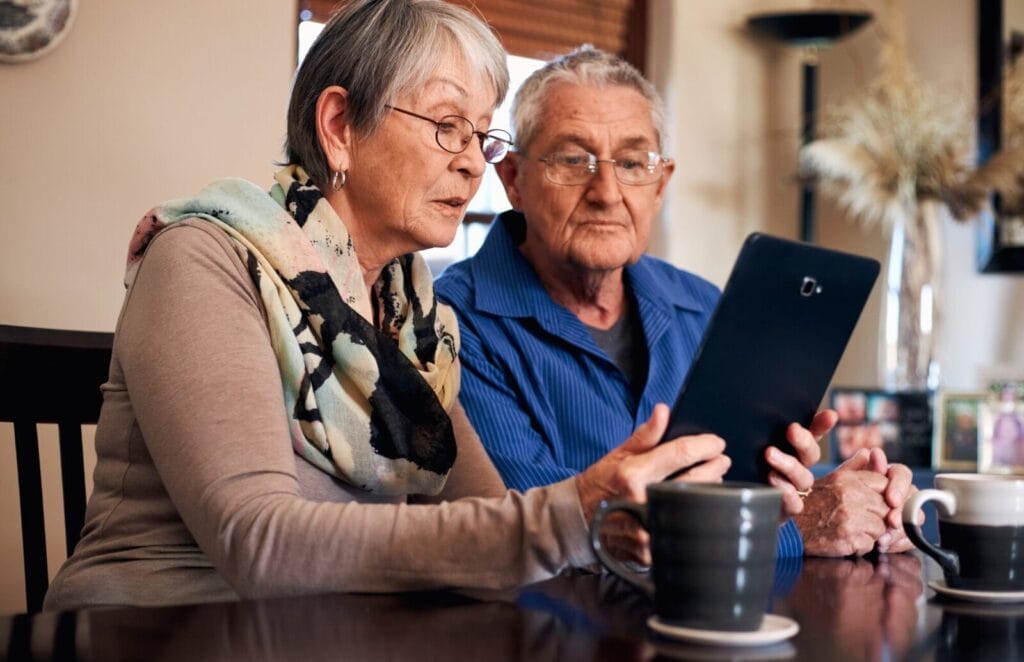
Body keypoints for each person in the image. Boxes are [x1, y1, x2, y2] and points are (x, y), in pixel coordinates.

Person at [43, 0, 813, 611]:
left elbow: (496, 522)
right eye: (447, 126)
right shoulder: (206, 258)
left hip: (338, 630)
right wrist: (573, 512)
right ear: (340, 126)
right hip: (160, 629)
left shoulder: (414, 319)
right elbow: (257, 542)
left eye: (482, 134)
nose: (474, 162)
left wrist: (639, 514)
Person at [436, 47, 915, 558]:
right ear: (513, 180)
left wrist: (846, 500)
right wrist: (797, 527)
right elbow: (534, 531)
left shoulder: (703, 306)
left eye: (633, 163)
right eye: (573, 160)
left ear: (660, 184)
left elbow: (764, 488)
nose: (606, 191)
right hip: (545, 631)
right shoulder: (449, 322)